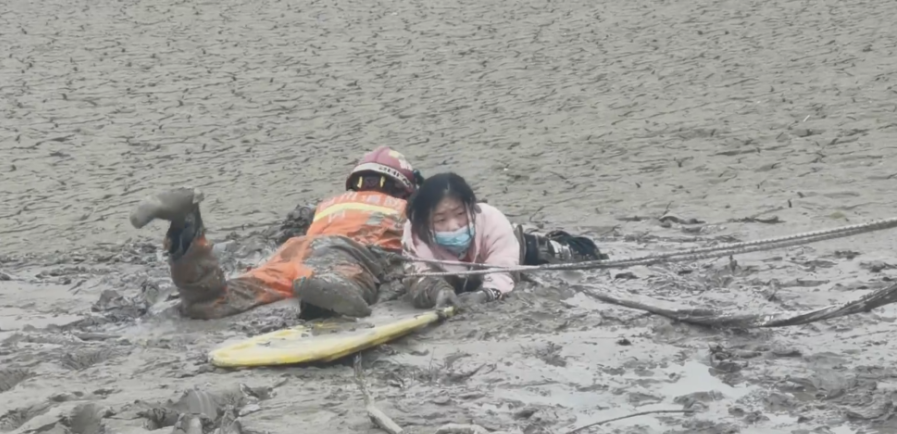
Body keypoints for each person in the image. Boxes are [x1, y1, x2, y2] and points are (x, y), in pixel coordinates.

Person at [129, 146, 422, 320]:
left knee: (217, 299)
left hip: (296, 249)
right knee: (340, 276)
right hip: (345, 252)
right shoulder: (408, 207)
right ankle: (320, 286)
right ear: (406, 188)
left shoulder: (329, 204)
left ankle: (187, 230)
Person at [402, 172, 606, 310]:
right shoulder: (414, 235)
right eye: (440, 219)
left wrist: (485, 295)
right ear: (424, 221)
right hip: (458, 274)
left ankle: (549, 237)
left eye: (460, 213)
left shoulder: (490, 219)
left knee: (575, 254)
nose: (453, 225)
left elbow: (503, 269)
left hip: (515, 249)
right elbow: (418, 275)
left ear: (472, 208)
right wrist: (438, 291)